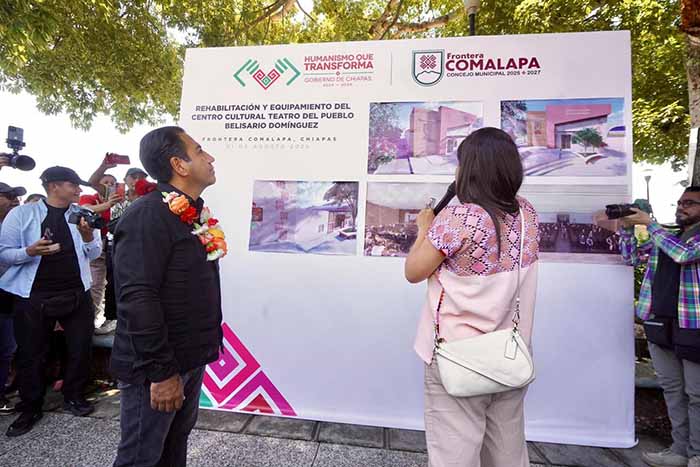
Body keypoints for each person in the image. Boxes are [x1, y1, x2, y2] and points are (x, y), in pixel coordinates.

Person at [405, 128, 539, 467]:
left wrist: (424, 228)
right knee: (507, 450)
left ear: (471, 169)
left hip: (458, 356)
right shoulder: (527, 214)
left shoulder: (459, 219)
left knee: (455, 453)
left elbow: (413, 271)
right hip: (510, 352)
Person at [111, 126, 223, 466]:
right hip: (156, 369)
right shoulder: (147, 215)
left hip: (188, 358)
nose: (210, 157)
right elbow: (137, 298)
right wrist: (161, 373)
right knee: (140, 458)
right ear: (179, 164)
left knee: (174, 448)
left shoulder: (190, 215)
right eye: (200, 150)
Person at [0, 167, 102, 437]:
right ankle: (31, 406)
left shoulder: (83, 214)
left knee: (80, 348)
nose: (79, 190)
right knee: (31, 353)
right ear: (54, 186)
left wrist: (88, 237)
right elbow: (4, 253)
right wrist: (29, 251)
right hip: (32, 295)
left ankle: (74, 396)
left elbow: (94, 253)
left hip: (77, 293)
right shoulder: (22, 214)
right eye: (73, 185)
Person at [619, 187, 700, 467]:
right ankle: (679, 451)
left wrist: (650, 224)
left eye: (690, 203)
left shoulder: (685, 240)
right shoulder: (669, 237)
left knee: (697, 395)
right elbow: (631, 258)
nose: (681, 207)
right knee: (673, 391)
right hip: (659, 324)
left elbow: (684, 255)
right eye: (679, 202)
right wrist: (627, 229)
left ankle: (697, 454)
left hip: (693, 326)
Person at [81, 164, 122, 334]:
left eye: (113, 183)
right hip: (95, 242)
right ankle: (89, 322)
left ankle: (113, 319)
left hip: (118, 244)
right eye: (106, 182)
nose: (109, 185)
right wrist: (106, 205)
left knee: (115, 282)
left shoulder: (122, 199)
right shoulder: (90, 197)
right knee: (95, 283)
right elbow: (84, 209)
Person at [0, 182, 25, 415]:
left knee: (7, 349)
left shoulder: (17, 224)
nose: (14, 201)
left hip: (8, 298)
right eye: (8, 196)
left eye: (15, 196)